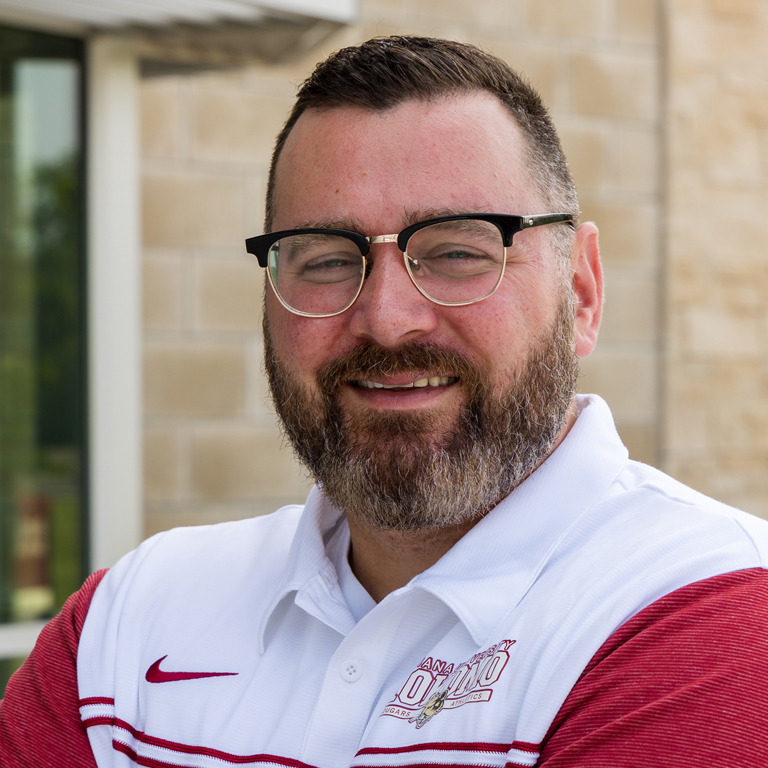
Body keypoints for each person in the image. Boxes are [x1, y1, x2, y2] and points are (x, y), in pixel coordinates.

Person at [2, 35, 768, 768]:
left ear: (582, 292)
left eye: (459, 251)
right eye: (328, 260)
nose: (388, 319)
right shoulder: (129, 620)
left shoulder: (710, 613)